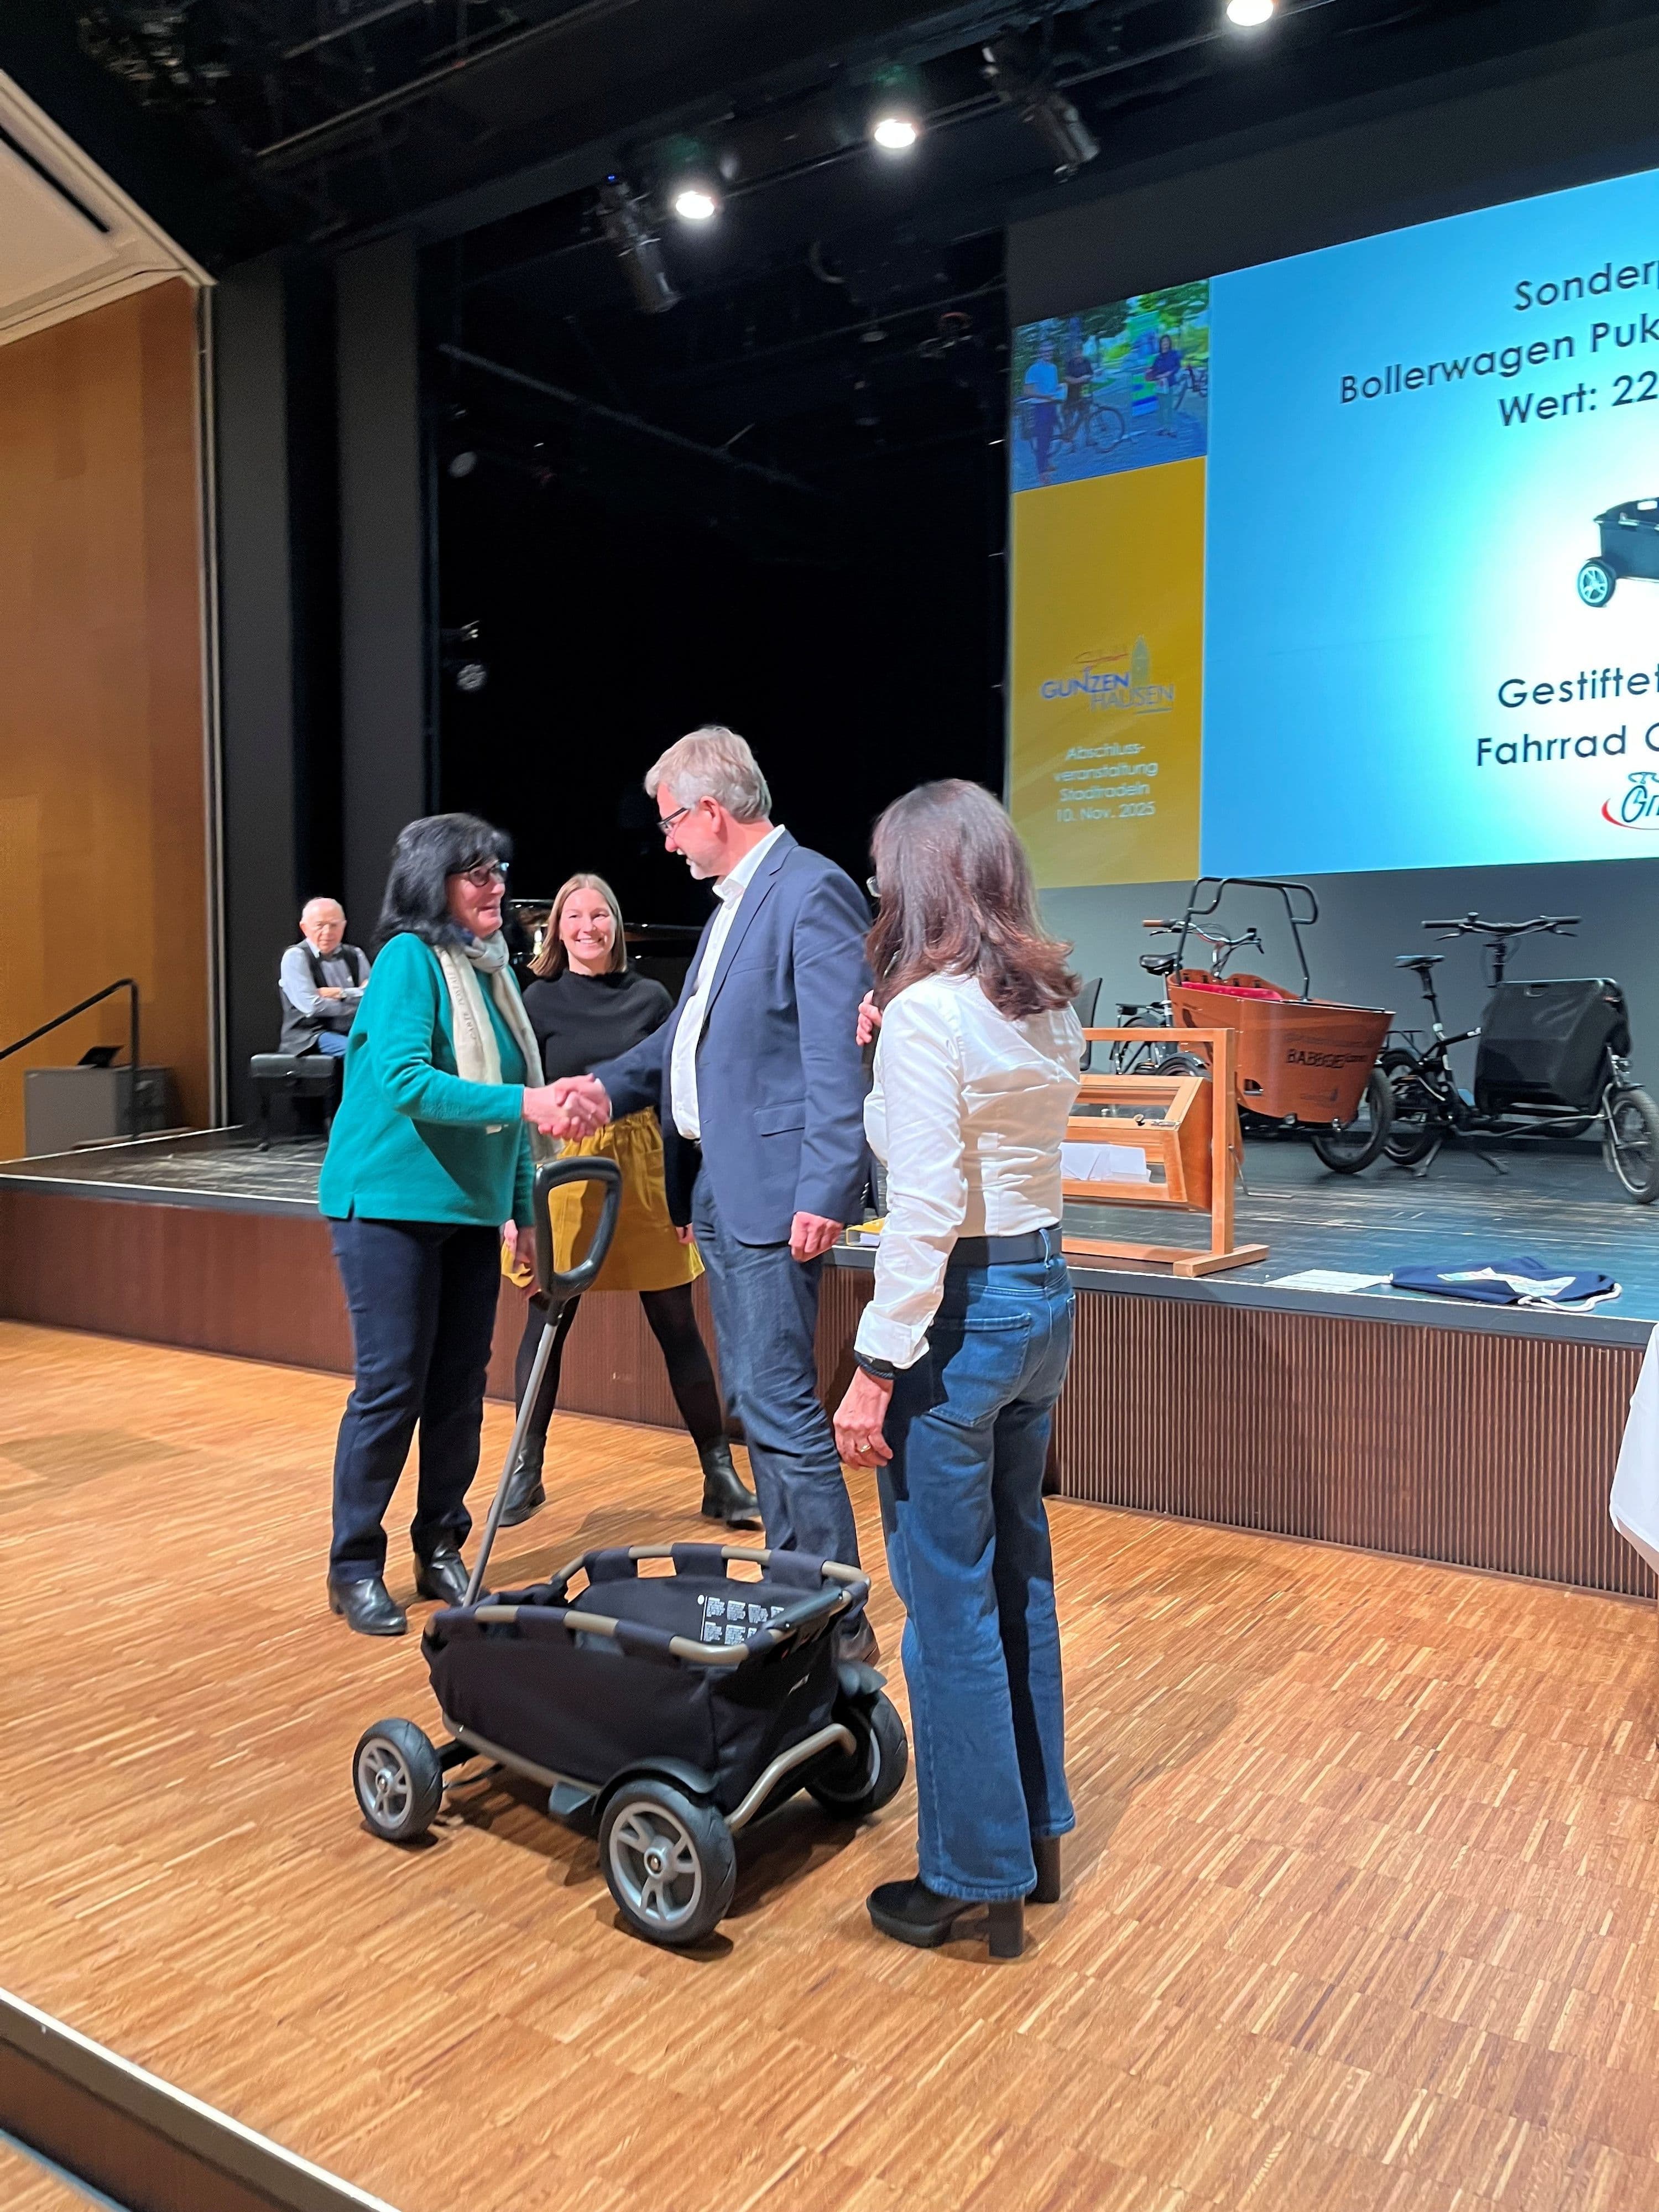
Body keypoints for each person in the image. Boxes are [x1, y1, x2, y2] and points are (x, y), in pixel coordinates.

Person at [546, 727, 876, 1657]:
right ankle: (797, 1600)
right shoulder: (738, 902)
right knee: (760, 1406)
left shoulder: (809, 890)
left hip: (777, 1192)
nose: (666, 841)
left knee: (779, 1406)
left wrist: (828, 1185)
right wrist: (604, 1088)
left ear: (710, 810)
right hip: (726, 1193)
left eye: (670, 823)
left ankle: (837, 1631)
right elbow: (682, 1044)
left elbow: (836, 1053)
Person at [832, 779, 1083, 1959]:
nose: (880, 889)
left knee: (947, 1604)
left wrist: (875, 1365)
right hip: (1043, 1297)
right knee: (1019, 1575)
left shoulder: (930, 1015)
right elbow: (972, 1155)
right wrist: (887, 1062)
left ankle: (973, 1876)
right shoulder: (1047, 1007)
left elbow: (925, 1205)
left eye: (888, 872)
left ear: (923, 880)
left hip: (960, 1315)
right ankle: (1033, 1839)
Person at [318, 813, 571, 1637]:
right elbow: (404, 1080)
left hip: (469, 1209)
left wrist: (523, 1210)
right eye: (477, 873)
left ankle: (439, 1546)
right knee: (393, 1386)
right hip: (386, 1204)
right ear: (435, 884)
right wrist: (526, 1102)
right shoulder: (408, 959)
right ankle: (355, 1566)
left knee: (460, 1388)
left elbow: (512, 1121)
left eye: (499, 870)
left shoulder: (491, 973)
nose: (496, 886)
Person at [499, 870, 759, 1531]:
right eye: (575, 916)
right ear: (556, 929)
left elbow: (677, 1097)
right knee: (548, 1320)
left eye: (600, 915)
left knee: (677, 1324)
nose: (587, 927)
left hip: (644, 1166)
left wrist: (685, 1194)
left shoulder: (650, 996)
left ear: (616, 926)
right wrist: (512, 1204)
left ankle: (720, 1476)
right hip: (566, 1168)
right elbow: (518, 1104)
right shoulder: (535, 1000)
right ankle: (526, 1469)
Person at [279, 898, 371, 1057]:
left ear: (343, 926)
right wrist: (355, 1001)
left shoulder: (355, 954)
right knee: (363, 1052)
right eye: (320, 925)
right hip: (311, 1036)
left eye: (334, 925)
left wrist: (341, 993)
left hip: (352, 1030)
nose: (328, 932)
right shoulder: (296, 956)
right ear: (305, 928)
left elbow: (372, 997)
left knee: (392, 1048)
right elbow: (312, 1006)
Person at [1022, 338, 1062, 483]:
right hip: (1040, 408)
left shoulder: (1053, 368)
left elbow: (1053, 388)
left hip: (1052, 406)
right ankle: (1042, 473)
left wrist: (1061, 390)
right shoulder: (1033, 369)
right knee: (1042, 439)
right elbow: (1027, 391)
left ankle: (1047, 463)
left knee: (1050, 436)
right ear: (1040, 353)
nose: (1048, 353)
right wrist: (1045, 396)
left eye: (1050, 351)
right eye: (1045, 351)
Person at [1148, 332, 1183, 436]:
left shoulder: (1174, 355)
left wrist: (1169, 373)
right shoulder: (1158, 358)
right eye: (1163, 341)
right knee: (1161, 407)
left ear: (1170, 343)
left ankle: (1171, 428)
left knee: (1169, 407)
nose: (1165, 343)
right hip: (1160, 385)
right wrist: (1153, 374)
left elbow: (1178, 367)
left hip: (1170, 384)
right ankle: (1163, 427)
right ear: (1161, 344)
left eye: (1167, 341)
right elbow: (1154, 370)